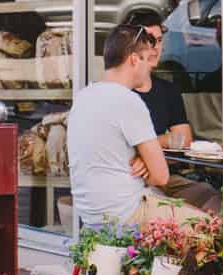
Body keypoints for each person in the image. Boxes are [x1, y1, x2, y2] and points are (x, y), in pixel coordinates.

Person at [65, 24, 173, 227]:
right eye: (147, 60)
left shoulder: (83, 97)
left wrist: (141, 159)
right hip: (129, 214)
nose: (150, 67)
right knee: (211, 228)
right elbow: (161, 176)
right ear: (134, 59)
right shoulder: (129, 101)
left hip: (92, 217)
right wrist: (148, 166)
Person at [130, 17, 222, 213]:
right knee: (163, 205)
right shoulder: (121, 91)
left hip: (167, 175)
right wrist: (163, 142)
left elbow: (184, 139)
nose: (156, 48)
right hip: (135, 178)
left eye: (160, 40)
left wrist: (145, 152)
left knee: (214, 198)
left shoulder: (167, 90)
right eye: (149, 41)